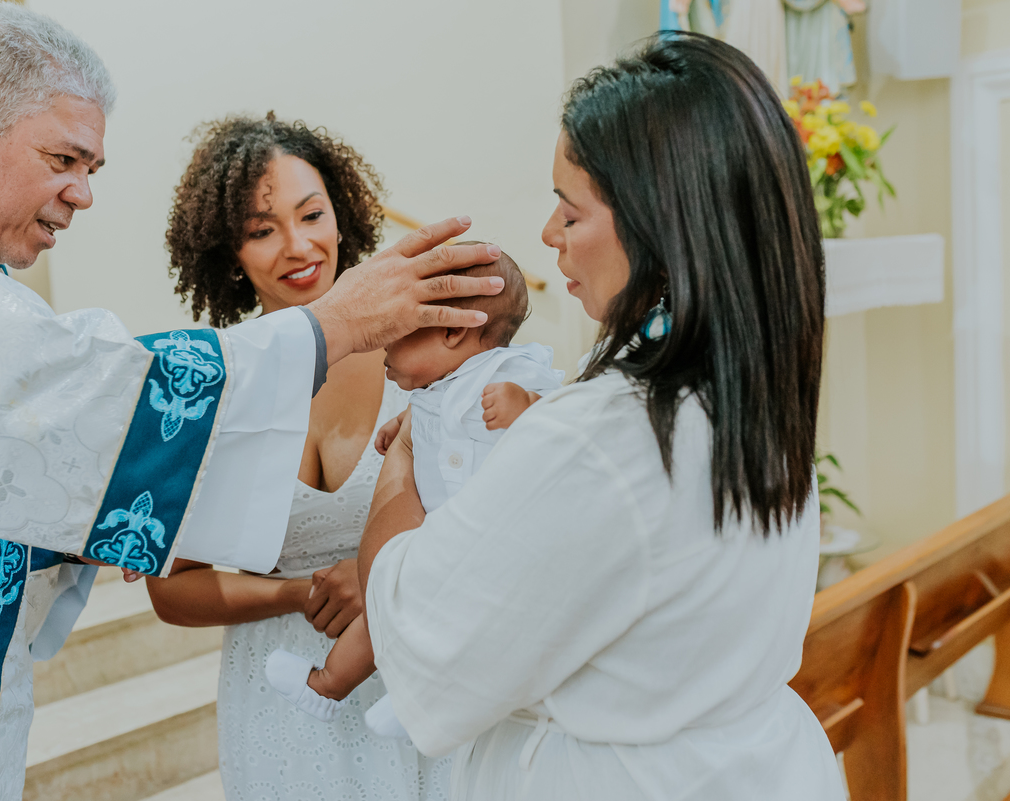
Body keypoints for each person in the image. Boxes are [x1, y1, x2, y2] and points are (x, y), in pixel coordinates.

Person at [0, 6, 502, 800]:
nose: (82, 194)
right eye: (63, 157)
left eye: (92, 169)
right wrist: (329, 328)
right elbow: (53, 391)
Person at [357, 33, 846, 800]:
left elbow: (418, 629)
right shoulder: (743, 395)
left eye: (569, 208)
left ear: (662, 225)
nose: (548, 233)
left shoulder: (605, 435)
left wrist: (403, 460)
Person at [141, 114, 451, 801]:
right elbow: (172, 588)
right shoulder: (220, 386)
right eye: (261, 230)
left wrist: (378, 575)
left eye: (312, 214)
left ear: (342, 217)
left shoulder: (424, 350)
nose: (297, 245)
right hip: (278, 691)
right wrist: (301, 591)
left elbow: (492, 509)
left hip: (412, 670)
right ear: (231, 254)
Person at [264, 251, 563, 737]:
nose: (383, 339)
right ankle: (325, 686)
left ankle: (425, 701)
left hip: (486, 545)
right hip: (434, 539)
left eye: (399, 328)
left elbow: (559, 416)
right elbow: (432, 425)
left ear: (451, 331)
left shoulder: (507, 370)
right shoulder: (429, 393)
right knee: (383, 610)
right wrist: (403, 425)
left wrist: (523, 404)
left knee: (462, 624)